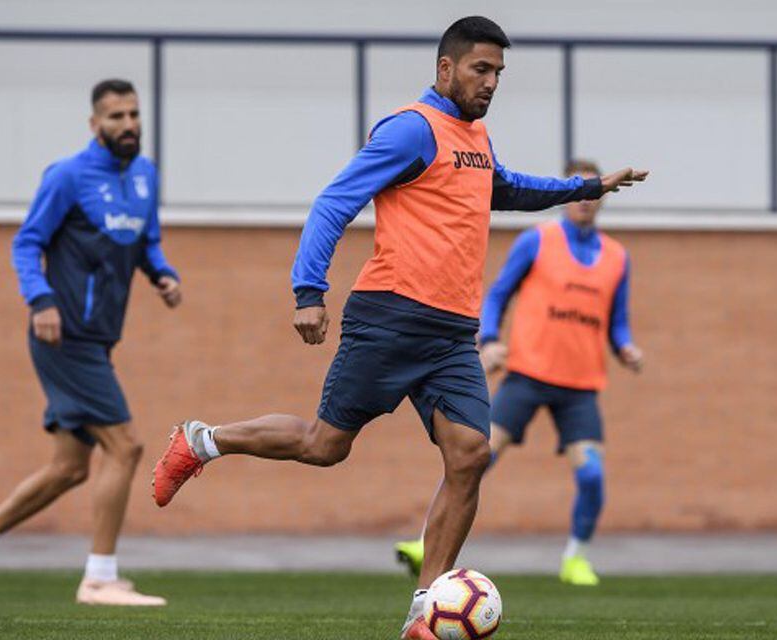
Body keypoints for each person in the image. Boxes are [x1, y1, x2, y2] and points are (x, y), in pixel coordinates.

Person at [150, 17, 646, 639]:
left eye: (498, 73)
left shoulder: (476, 137)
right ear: (446, 69)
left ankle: (424, 611)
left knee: (470, 455)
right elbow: (335, 201)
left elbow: (507, 188)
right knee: (323, 447)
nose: (490, 83)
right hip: (389, 318)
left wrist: (587, 186)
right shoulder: (412, 129)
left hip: (449, 336)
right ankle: (202, 441)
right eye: (480, 70)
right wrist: (309, 290)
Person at [0, 79, 181, 606]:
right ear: (94, 124)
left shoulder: (145, 176)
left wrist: (162, 274)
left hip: (98, 340)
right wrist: (41, 300)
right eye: (116, 116)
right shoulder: (69, 176)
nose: (128, 125)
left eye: (134, 114)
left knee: (70, 468)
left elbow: (146, 242)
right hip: (62, 334)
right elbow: (27, 241)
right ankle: (99, 577)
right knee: (126, 446)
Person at [394, 159, 644, 587]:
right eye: (579, 197)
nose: (585, 206)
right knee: (475, 458)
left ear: (601, 200)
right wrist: (489, 339)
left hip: (580, 385)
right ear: (570, 199)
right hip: (527, 376)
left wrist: (625, 347)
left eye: (593, 197)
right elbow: (497, 295)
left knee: (592, 474)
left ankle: (575, 559)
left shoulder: (617, 258)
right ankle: (424, 544)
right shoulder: (537, 242)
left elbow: (617, 319)